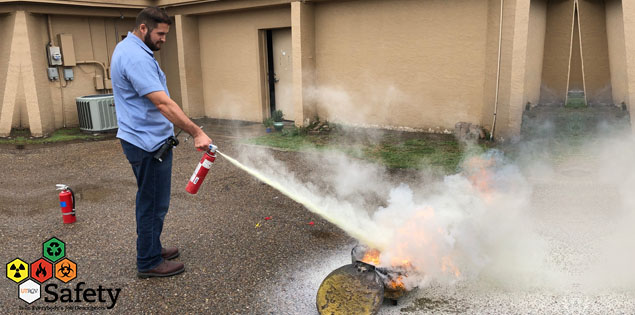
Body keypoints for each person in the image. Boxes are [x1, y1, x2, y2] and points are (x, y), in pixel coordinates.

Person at [111, 6, 212, 278]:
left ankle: (152, 247)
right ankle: (149, 261)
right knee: (152, 204)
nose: (163, 39)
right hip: (147, 144)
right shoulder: (135, 57)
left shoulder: (130, 48)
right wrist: (196, 132)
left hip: (142, 139)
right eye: (160, 33)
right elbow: (162, 103)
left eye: (166, 34)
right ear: (143, 28)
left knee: (152, 201)